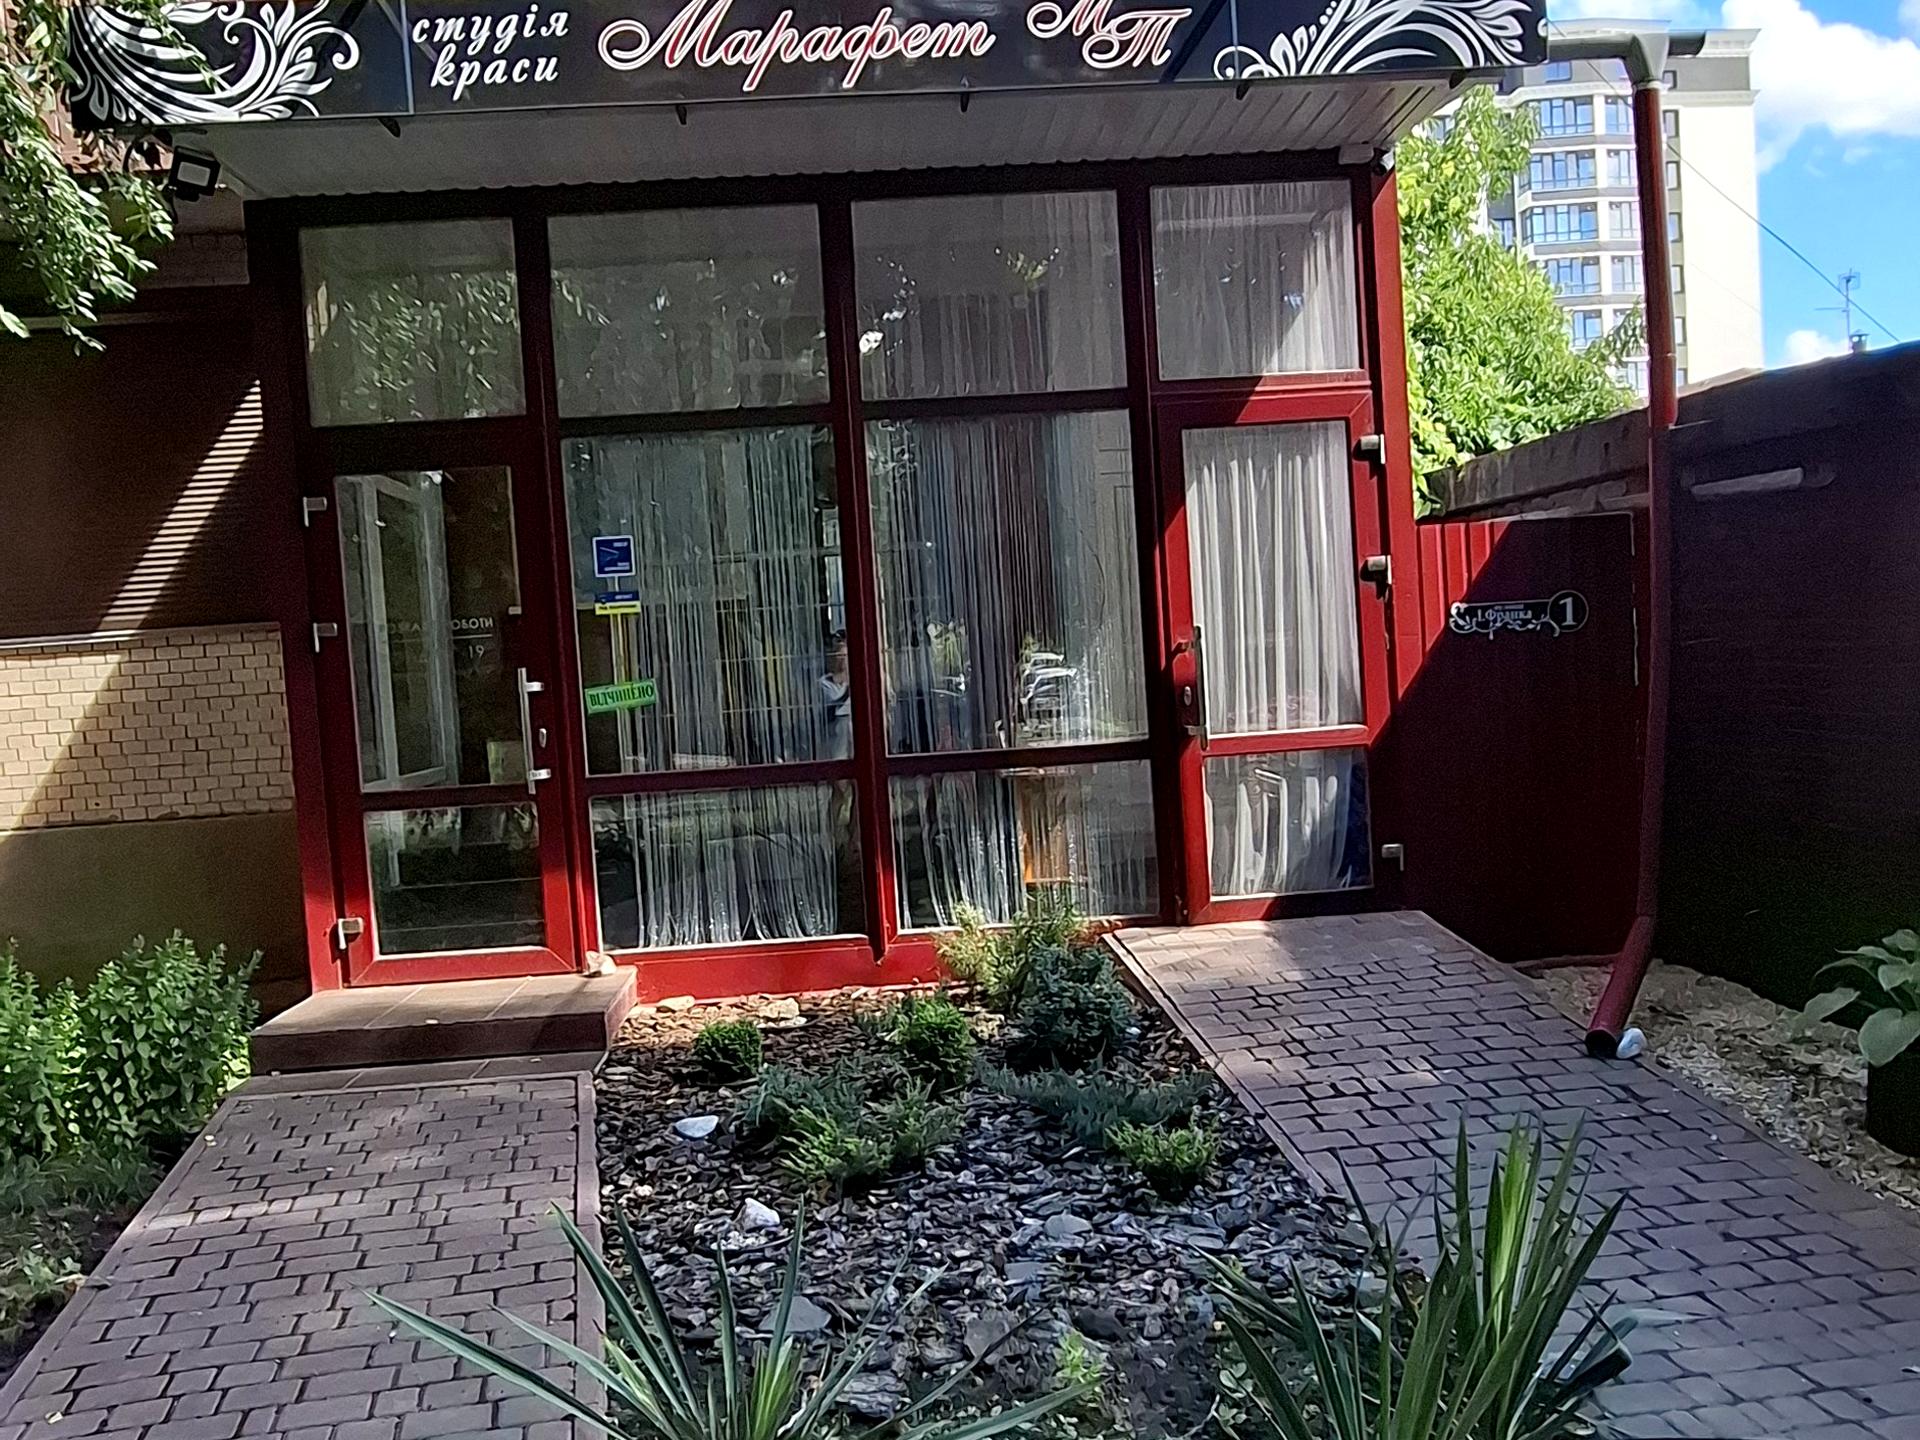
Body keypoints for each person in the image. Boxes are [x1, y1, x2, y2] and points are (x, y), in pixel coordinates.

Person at [819, 631, 852, 759]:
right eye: (839, 655)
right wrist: (848, 687)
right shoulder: (825, 682)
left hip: (854, 725)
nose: (842, 659)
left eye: (845, 655)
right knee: (840, 758)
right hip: (837, 726)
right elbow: (834, 701)